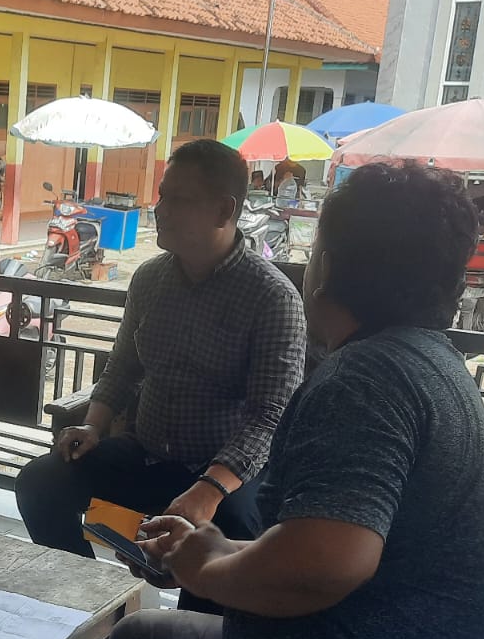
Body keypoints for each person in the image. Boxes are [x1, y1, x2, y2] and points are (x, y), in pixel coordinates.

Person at [0, 163, 484, 639]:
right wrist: (212, 550)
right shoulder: (427, 364)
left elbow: (324, 564)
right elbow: (328, 542)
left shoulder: (366, 380)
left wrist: (207, 565)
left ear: (329, 264)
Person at [15, 139, 306, 611]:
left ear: (224, 210)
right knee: (40, 483)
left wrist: (208, 490)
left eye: (178, 200)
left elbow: (269, 416)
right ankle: (86, 606)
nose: (160, 210)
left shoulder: (272, 297)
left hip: (225, 472)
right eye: (162, 195)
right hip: (148, 453)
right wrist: (93, 425)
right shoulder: (150, 278)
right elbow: (123, 365)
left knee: (232, 532)